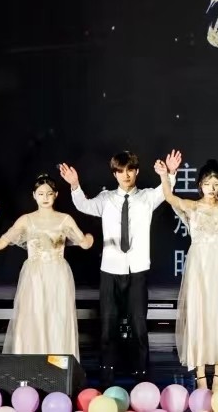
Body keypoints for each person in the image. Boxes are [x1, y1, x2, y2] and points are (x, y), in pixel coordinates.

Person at [61, 150, 180, 385]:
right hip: (110, 269)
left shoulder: (147, 197)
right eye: (120, 171)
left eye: (130, 170)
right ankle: (107, 374)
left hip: (137, 269)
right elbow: (84, 205)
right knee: (108, 325)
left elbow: (165, 192)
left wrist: (171, 173)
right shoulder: (106, 199)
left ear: (136, 172)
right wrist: (75, 185)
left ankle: (141, 373)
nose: (126, 175)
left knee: (138, 324)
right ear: (114, 174)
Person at [0, 175, 94, 358]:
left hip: (58, 274)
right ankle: (30, 364)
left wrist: (88, 239)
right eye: (41, 194)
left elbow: (83, 243)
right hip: (34, 275)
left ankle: (58, 367)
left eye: (49, 193)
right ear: (34, 195)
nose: (45, 197)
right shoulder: (26, 220)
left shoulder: (65, 219)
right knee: (33, 317)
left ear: (56, 194)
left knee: (56, 318)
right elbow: (3, 241)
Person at [157, 157, 218, 390]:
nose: (212, 188)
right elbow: (169, 197)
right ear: (200, 185)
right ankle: (200, 376)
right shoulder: (193, 206)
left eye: (216, 184)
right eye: (207, 183)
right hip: (200, 267)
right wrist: (164, 176)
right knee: (199, 314)